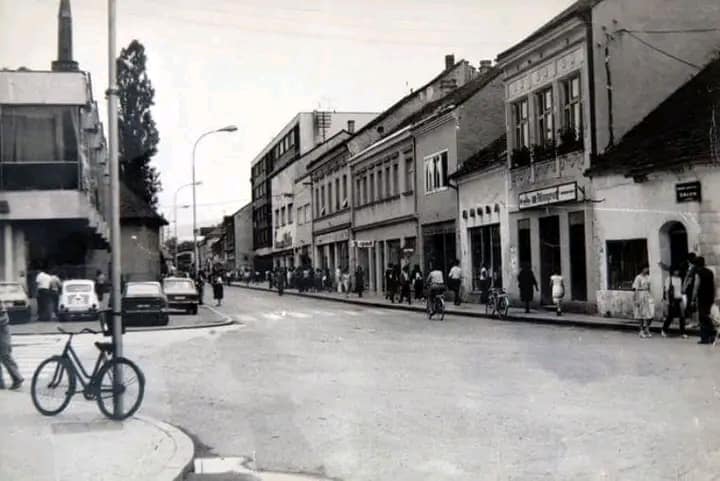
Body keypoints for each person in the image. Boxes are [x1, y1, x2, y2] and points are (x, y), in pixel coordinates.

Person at [692, 256, 716, 344]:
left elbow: (696, 286)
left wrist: (693, 299)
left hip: (702, 297)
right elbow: (713, 285)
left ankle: (705, 337)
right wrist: (713, 296)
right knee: (707, 315)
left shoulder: (698, 273)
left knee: (702, 317)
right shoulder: (710, 272)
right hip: (709, 297)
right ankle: (711, 335)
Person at [0, 303, 23, 390]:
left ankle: (17, 378)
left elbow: (4, 319)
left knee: (6, 357)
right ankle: (1, 383)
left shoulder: (2, 312)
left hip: (3, 337)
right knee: (6, 357)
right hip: (3, 336)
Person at [662, 267, 686, 338]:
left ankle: (682, 332)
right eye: (676, 270)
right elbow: (666, 290)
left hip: (680, 298)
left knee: (682, 315)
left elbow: (681, 289)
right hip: (672, 299)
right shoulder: (669, 279)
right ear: (672, 271)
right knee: (670, 315)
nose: (677, 272)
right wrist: (667, 300)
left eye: (678, 270)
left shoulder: (680, 279)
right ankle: (664, 329)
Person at [633, 264, 654, 338]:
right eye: (645, 268)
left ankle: (647, 328)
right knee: (641, 314)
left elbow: (650, 288)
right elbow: (636, 289)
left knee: (650, 314)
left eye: (647, 268)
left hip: (647, 295)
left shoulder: (648, 277)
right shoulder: (638, 277)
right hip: (640, 294)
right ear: (642, 269)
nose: (647, 270)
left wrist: (651, 297)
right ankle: (641, 330)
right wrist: (636, 299)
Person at [682, 253, 697, 328]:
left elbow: (689, 280)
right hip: (690, 288)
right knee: (690, 305)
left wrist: (684, 287)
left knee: (690, 305)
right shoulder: (692, 268)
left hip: (690, 289)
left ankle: (693, 322)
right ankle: (693, 321)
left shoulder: (692, 268)